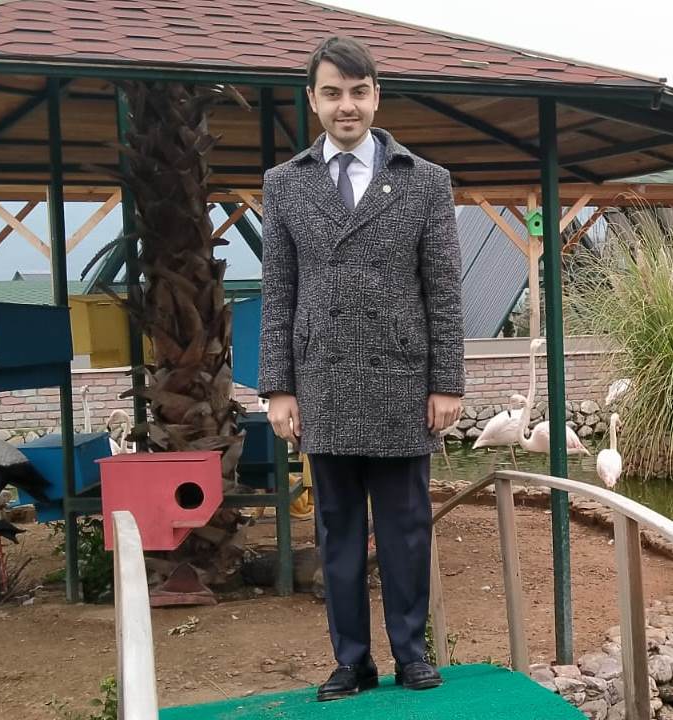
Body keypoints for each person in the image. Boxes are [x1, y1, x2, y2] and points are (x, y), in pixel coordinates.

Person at [258, 35, 464, 702]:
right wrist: (278, 387)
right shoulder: (284, 184)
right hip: (322, 379)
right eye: (331, 93)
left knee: (405, 529)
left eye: (357, 92)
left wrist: (446, 382)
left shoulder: (424, 180)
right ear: (312, 100)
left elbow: (443, 289)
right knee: (337, 531)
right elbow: (278, 291)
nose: (345, 105)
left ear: (376, 96)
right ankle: (351, 661)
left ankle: (411, 653)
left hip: (400, 380)